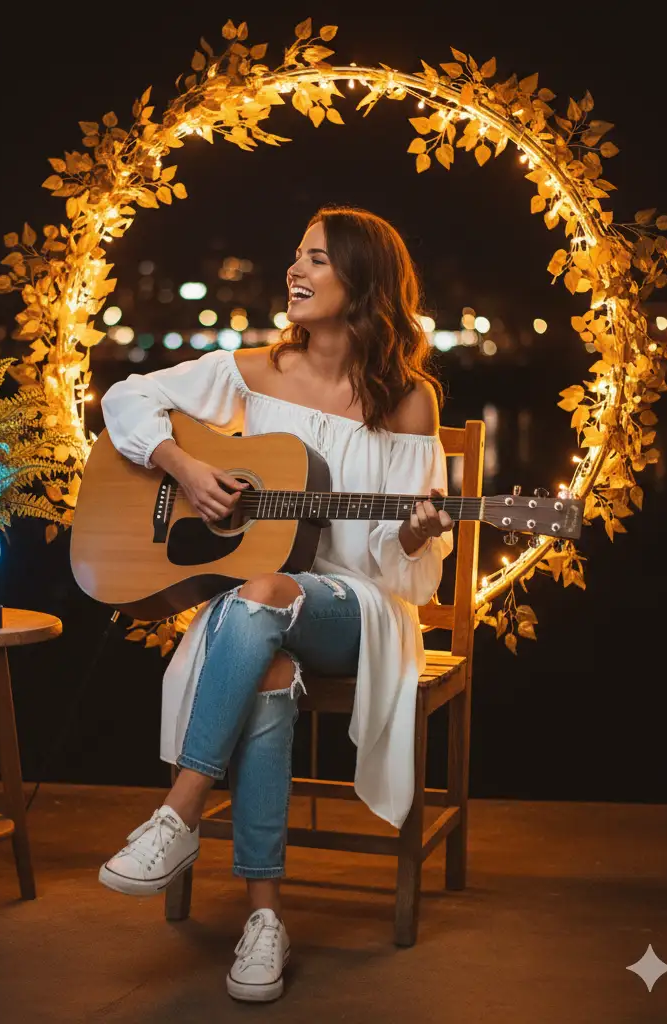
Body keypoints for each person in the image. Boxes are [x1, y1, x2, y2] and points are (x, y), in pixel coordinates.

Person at [96, 205, 455, 1003]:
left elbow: (401, 567)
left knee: (259, 596)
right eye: (296, 255)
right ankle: (265, 921)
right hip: (261, 614)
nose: (294, 270)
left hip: (359, 612)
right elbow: (126, 399)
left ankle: (179, 813)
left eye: (317, 260)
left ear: (362, 282)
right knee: (265, 659)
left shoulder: (408, 402)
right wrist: (185, 468)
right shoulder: (251, 370)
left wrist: (415, 533)